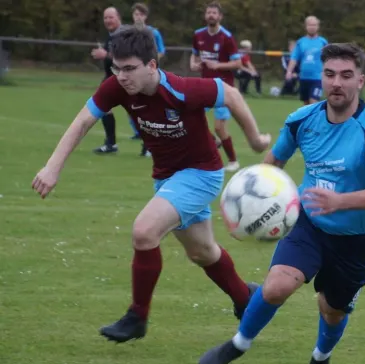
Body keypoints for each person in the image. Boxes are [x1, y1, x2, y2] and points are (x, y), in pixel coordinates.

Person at [32, 27, 271, 344]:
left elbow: (230, 94)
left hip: (201, 173)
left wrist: (255, 140)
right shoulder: (117, 87)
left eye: (129, 68)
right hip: (166, 178)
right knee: (202, 252)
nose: (122, 76)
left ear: (152, 66)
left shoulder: (181, 89)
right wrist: (52, 166)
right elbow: (83, 121)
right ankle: (246, 300)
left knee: (144, 231)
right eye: (117, 68)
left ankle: (137, 316)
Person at [197, 43, 365, 364]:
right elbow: (272, 164)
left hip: (356, 238)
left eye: (346, 75)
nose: (336, 83)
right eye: (329, 75)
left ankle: (320, 360)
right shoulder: (301, 121)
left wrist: (340, 201)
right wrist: (244, 211)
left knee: (332, 311)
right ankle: (238, 344)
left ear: (361, 81)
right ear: (321, 78)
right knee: (278, 285)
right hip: (308, 223)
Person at [191, 1, 242, 172]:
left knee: (219, 127)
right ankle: (213, 143)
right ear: (205, 16)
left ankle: (233, 160)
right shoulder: (198, 34)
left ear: (220, 17)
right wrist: (194, 64)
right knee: (191, 119)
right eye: (209, 13)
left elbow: (237, 63)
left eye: (214, 13)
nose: (211, 15)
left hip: (223, 89)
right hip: (204, 86)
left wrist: (217, 66)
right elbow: (195, 55)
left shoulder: (226, 37)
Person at [130, 2, 167, 157]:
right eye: (135, 14)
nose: (138, 17)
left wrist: (149, 61)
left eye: (141, 14)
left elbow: (161, 51)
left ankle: (150, 145)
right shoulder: (129, 32)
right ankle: (144, 139)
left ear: (145, 16)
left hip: (149, 74)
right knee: (133, 108)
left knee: (149, 107)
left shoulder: (153, 32)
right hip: (133, 75)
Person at [90, 7, 122, 154]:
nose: (108, 20)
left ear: (118, 18)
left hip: (123, 77)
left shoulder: (123, 35)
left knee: (138, 111)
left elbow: (125, 58)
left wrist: (106, 55)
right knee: (103, 108)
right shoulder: (110, 36)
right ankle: (111, 144)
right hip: (110, 77)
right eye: (105, 18)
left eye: (111, 17)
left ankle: (149, 147)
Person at [284, 16, 328, 105]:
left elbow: (329, 58)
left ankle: (316, 119)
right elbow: (294, 58)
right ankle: (308, 119)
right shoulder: (301, 42)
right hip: (304, 78)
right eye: (310, 25)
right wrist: (289, 71)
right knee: (306, 105)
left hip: (317, 78)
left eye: (314, 25)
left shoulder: (323, 42)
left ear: (318, 27)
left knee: (313, 102)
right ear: (306, 26)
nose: (312, 27)